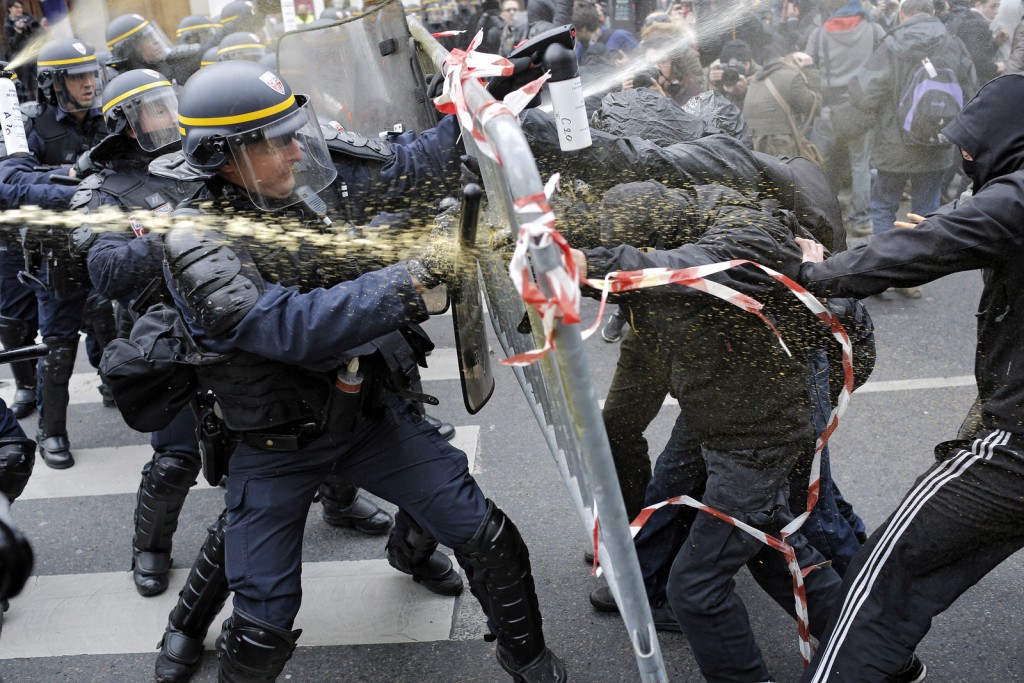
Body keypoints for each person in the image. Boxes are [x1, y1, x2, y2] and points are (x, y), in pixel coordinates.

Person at [158, 60, 565, 681]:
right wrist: (410, 276)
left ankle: (532, 663)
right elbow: (285, 326)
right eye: (278, 142)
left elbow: (394, 189)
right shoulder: (196, 241)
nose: (298, 151)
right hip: (275, 445)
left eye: (296, 133)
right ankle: (185, 629)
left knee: (489, 539)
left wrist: (483, 107)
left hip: (368, 417)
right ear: (224, 155)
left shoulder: (302, 192)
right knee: (262, 622)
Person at [794, 72, 1024, 682]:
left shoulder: (1017, 198)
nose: (965, 154)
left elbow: (929, 246)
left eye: (973, 142)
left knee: (881, 584)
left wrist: (819, 273)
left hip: (1017, 450)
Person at [568, 182, 845, 683]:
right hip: (724, 428)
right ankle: (876, 645)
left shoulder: (738, 236)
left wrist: (597, 264)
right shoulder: (666, 252)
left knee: (694, 588)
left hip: (756, 440)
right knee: (773, 551)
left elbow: (684, 270)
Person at [0, 38, 110, 469]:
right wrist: (70, 179)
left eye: (91, 73)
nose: (88, 83)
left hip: (106, 246)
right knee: (60, 347)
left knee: (111, 326)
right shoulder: (33, 126)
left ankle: (117, 384)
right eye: (76, 75)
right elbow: (10, 187)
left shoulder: (109, 120)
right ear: (53, 83)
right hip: (57, 253)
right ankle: (52, 432)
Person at [852, 0, 977, 299]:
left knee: (884, 206)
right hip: (937, 144)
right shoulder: (953, 43)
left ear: (903, 14)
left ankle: (881, 272)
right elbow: (972, 91)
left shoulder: (891, 44)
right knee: (924, 211)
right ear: (933, 13)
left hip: (894, 144)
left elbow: (867, 93)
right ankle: (911, 278)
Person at [806, 0, 885, 239]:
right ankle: (861, 221)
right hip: (861, 108)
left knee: (817, 166)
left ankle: (816, 217)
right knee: (860, 165)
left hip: (829, 109)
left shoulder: (818, 34)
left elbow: (808, 69)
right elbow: (884, 66)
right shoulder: (874, 30)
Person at [105, 14, 201, 84]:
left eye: (153, 34)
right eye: (146, 38)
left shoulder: (173, 64)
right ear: (129, 50)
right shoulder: (124, 85)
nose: (156, 41)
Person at [952, 0, 1005, 82]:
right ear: (979, 5)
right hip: (976, 83)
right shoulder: (976, 25)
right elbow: (977, 61)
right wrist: (997, 67)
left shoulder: (967, 18)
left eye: (998, 6)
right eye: (993, 6)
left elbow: (978, 51)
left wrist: (996, 43)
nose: (997, 11)